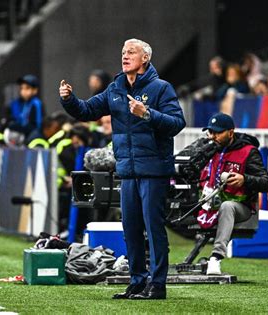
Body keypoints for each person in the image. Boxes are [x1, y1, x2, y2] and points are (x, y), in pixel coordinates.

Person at [59, 38, 186, 300]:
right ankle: (137, 282)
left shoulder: (161, 88)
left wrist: (147, 113)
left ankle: (158, 285)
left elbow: (177, 123)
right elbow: (87, 110)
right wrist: (69, 100)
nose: (125, 56)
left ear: (145, 59)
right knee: (130, 229)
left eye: (131, 52)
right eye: (123, 52)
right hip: (127, 171)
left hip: (153, 170)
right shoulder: (115, 88)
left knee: (154, 229)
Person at [199, 113, 268, 275]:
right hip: (208, 202)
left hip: (240, 206)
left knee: (227, 206)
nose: (213, 136)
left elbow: (266, 183)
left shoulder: (248, 151)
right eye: (210, 132)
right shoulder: (207, 149)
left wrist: (244, 179)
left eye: (218, 132)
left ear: (231, 133)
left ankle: (216, 257)